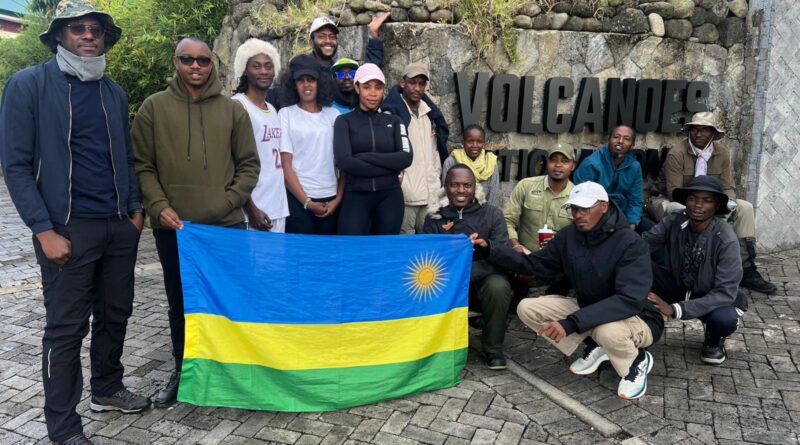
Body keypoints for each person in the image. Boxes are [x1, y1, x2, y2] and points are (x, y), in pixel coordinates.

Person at [0, 1, 150, 443]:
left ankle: (107, 389)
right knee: (65, 330)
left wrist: (135, 212)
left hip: (118, 225)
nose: (89, 35)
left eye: (96, 29)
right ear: (59, 35)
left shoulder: (113, 92)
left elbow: (124, 156)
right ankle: (63, 427)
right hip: (66, 229)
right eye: (78, 28)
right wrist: (43, 230)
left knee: (115, 315)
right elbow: (16, 164)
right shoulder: (29, 85)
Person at [132, 37, 260, 407]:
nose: (195, 66)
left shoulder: (233, 111)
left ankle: (236, 373)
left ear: (212, 64)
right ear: (176, 62)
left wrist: (229, 202)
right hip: (177, 228)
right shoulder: (153, 109)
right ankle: (183, 370)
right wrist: (157, 205)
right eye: (187, 59)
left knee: (231, 299)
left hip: (227, 227)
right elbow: (142, 165)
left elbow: (249, 165)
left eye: (203, 60)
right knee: (182, 302)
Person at [472, 182, 663, 400]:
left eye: (585, 208)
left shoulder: (630, 243)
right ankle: (598, 347)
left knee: (607, 331)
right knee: (527, 308)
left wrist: (571, 322)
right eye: (574, 209)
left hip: (638, 317)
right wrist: (491, 250)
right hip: (590, 310)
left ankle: (636, 362)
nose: (578, 215)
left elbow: (629, 300)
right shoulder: (569, 236)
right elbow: (535, 265)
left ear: (603, 206)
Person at [647, 112, 777, 294]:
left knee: (744, 208)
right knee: (678, 209)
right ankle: (690, 266)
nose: (698, 134)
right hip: (668, 200)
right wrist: (708, 209)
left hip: (709, 202)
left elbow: (728, 186)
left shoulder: (722, 152)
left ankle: (746, 269)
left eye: (704, 130)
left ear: (713, 134)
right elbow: (674, 192)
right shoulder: (677, 153)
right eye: (695, 130)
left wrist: (727, 205)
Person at [644, 176, 744, 364]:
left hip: (710, 295)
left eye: (707, 200)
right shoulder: (675, 220)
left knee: (725, 318)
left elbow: (724, 293)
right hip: (677, 285)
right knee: (635, 267)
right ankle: (636, 329)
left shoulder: (726, 240)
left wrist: (675, 309)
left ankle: (714, 340)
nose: (698, 205)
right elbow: (643, 245)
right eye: (693, 198)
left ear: (716, 206)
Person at [423, 165, 511, 370]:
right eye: (454, 185)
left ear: (475, 188)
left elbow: (501, 252)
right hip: (446, 278)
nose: (461, 190)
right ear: (445, 187)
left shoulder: (492, 214)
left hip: (483, 276)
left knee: (498, 286)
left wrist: (473, 263)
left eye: (466, 185)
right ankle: (437, 347)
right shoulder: (434, 217)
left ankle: (492, 348)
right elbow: (428, 258)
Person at [334, 63, 413, 235]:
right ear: (357, 87)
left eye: (378, 87)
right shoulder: (343, 121)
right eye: (367, 87)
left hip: (390, 198)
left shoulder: (395, 121)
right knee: (352, 253)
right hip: (356, 197)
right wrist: (389, 167)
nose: (373, 93)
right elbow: (344, 161)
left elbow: (406, 158)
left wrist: (366, 157)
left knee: (385, 254)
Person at [277, 54, 343, 234]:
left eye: (311, 79)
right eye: (301, 80)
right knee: (300, 258)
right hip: (298, 200)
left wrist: (337, 199)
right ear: (293, 85)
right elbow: (286, 164)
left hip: (330, 198)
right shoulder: (285, 114)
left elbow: (344, 162)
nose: (306, 85)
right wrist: (307, 202)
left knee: (328, 257)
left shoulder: (334, 115)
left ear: (319, 82)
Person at [231, 38, 288, 232]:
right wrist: (251, 208)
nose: (264, 71)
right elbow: (232, 162)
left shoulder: (271, 109)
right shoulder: (238, 106)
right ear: (245, 70)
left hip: (278, 206)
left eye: (268, 66)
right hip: (255, 209)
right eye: (256, 66)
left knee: (275, 263)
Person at [382, 62, 445, 234]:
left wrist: (435, 178)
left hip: (430, 196)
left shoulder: (430, 114)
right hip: (405, 198)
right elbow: (385, 154)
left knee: (428, 252)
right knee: (405, 250)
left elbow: (434, 152)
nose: (417, 88)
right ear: (403, 83)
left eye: (422, 84)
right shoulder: (390, 114)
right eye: (413, 82)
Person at [504, 143, 576, 253]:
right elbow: (507, 220)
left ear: (573, 165)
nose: (558, 165)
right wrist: (515, 245)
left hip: (559, 261)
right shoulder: (526, 186)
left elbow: (582, 232)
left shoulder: (577, 195)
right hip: (525, 256)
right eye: (553, 160)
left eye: (564, 161)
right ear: (547, 163)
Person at [573, 125, 643, 230]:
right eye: (616, 137)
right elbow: (579, 197)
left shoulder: (634, 167)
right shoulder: (592, 163)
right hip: (594, 216)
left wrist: (631, 224)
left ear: (632, 145)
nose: (620, 141)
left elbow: (635, 200)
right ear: (609, 140)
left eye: (626, 139)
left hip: (621, 216)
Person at [442, 125, 500, 207]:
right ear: (463, 142)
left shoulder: (490, 162)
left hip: (484, 213)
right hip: (457, 213)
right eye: (470, 141)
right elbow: (447, 193)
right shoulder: (451, 162)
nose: (474, 145)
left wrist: (489, 216)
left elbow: (494, 193)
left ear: (483, 143)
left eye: (479, 141)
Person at [307, 14, 388, 71]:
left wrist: (373, 34)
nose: (328, 41)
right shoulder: (302, 70)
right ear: (311, 42)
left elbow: (367, 76)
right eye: (321, 36)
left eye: (332, 36)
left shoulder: (337, 73)